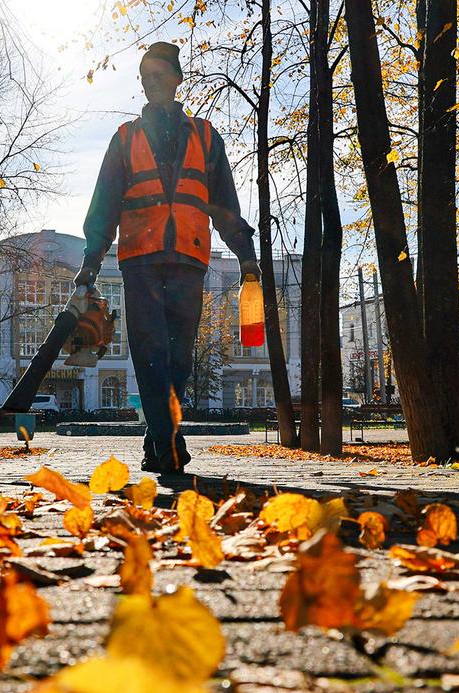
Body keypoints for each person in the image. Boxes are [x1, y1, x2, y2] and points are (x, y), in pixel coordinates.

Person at [75, 41, 260, 476]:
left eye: (160, 75)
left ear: (177, 80)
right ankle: (171, 445)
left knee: (179, 360)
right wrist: (90, 259)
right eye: (145, 78)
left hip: (188, 261)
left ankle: (157, 440)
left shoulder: (205, 136)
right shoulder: (125, 138)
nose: (152, 83)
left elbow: (225, 206)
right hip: (139, 259)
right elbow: (103, 205)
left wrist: (246, 256)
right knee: (151, 351)